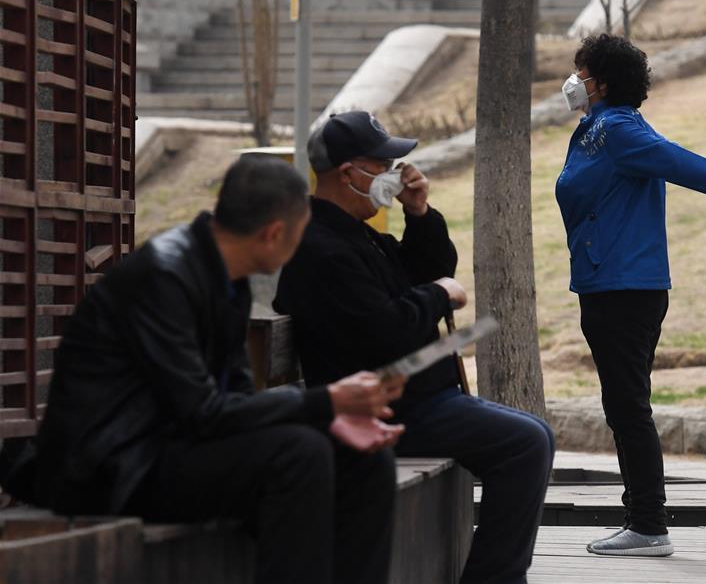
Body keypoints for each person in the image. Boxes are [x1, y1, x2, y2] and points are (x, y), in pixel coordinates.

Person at [30, 154, 406, 584]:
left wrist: (325, 416)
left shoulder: (226, 274)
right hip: (113, 466)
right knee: (299, 455)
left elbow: (236, 400)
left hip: (173, 444)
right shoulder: (163, 277)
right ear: (274, 233)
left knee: (365, 459)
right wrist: (325, 401)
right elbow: (202, 412)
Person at [274, 111, 556, 584]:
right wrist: (439, 295)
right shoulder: (321, 247)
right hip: (386, 410)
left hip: (421, 396)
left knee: (534, 435)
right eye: (382, 165)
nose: (393, 175)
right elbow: (385, 329)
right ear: (349, 173)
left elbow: (423, 268)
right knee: (525, 444)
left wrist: (419, 212)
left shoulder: (354, 233)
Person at [556, 34, 706, 557]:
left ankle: (647, 526)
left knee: (627, 408)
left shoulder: (617, 130)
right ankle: (645, 522)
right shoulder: (597, 129)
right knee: (624, 406)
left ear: (600, 82)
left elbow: (681, 163)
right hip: (610, 284)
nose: (572, 81)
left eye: (581, 72)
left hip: (625, 289)